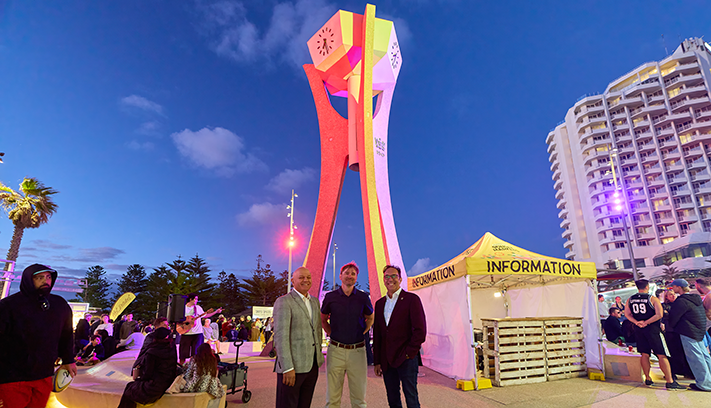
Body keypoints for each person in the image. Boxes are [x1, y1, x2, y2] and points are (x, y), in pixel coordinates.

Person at [0, 264, 77, 408]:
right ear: (29, 280)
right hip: (13, 377)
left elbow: (66, 334)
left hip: (44, 374)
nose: (45, 281)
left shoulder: (59, 305)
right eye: (39, 277)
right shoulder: (8, 306)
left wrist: (68, 359)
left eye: (48, 277)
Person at [321, 262, 374, 408]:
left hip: (357, 351)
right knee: (332, 398)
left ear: (356, 277)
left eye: (353, 274)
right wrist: (332, 333)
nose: (349, 276)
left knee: (359, 398)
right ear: (340, 275)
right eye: (347, 273)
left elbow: (370, 317)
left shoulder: (363, 297)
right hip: (336, 350)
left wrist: (364, 331)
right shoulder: (330, 297)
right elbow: (323, 318)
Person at [373, 265, 427, 408]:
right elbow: (378, 334)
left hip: (407, 359)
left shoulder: (411, 299)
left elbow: (420, 330)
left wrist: (410, 353)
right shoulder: (379, 304)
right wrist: (377, 360)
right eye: (387, 277)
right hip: (387, 360)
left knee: (411, 397)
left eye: (393, 276)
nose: (390, 279)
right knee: (392, 397)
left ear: (400, 279)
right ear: (383, 280)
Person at [274, 266, 324, 408]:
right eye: (301, 277)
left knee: (304, 404)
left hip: (311, 366)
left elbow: (317, 331)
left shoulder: (314, 302)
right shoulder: (284, 301)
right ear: (292, 281)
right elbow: (281, 337)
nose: (305, 280)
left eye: (308, 277)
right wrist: (287, 367)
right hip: (292, 368)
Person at [625, 279, 684, 389]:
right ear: (647, 287)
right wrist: (646, 322)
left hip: (639, 329)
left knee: (644, 354)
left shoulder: (630, 299)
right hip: (653, 329)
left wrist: (637, 322)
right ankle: (669, 381)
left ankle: (647, 378)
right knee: (662, 354)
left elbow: (627, 314)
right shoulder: (652, 299)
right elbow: (659, 314)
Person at [668, 279, 711, 391]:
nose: (672, 288)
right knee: (704, 355)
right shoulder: (696, 298)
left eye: (674, 287)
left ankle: (704, 384)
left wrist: (670, 324)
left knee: (695, 357)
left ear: (679, 287)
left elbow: (673, 318)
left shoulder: (681, 301)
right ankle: (708, 380)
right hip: (699, 330)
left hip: (688, 331)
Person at [118, 327, 177, 408]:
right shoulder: (171, 347)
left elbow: (148, 374)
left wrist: (139, 378)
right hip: (167, 381)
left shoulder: (152, 352)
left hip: (154, 386)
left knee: (129, 388)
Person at [179, 294, 221, 364]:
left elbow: (205, 315)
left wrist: (216, 312)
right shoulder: (183, 308)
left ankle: (193, 368)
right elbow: (179, 320)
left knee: (196, 353)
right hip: (186, 333)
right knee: (183, 353)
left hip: (197, 333)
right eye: (196, 299)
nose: (197, 301)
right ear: (190, 299)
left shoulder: (198, 308)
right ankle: (181, 368)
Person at [661, 289, 693, 378]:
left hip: (681, 330)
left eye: (674, 294)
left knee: (684, 352)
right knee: (673, 352)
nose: (673, 296)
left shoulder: (680, 303)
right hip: (670, 331)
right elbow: (665, 316)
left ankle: (687, 371)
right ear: (666, 297)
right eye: (670, 294)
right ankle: (673, 371)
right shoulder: (664, 306)